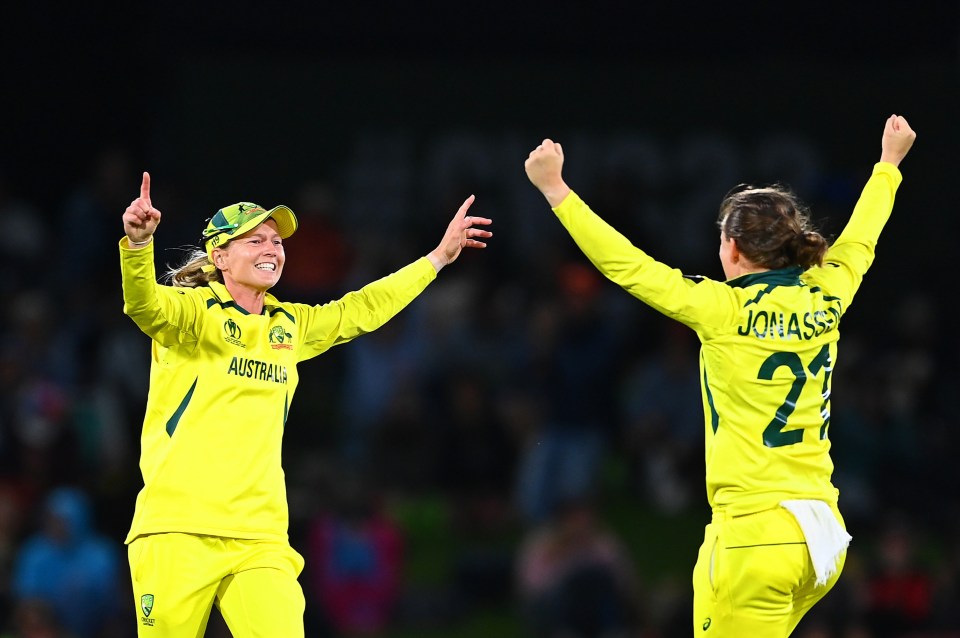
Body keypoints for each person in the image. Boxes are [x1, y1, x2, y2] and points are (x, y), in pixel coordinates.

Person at [524, 114, 915, 636]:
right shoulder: (829, 292)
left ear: (732, 249)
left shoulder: (721, 309)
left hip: (754, 539)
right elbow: (861, 239)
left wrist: (556, 190)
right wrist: (888, 164)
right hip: (820, 536)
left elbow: (629, 267)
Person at [119, 171, 492, 637]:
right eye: (254, 240)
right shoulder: (194, 313)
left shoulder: (289, 325)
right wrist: (137, 247)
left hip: (260, 535)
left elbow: (363, 308)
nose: (271, 249)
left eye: (276, 241)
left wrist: (437, 258)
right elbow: (145, 307)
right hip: (178, 529)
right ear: (220, 256)